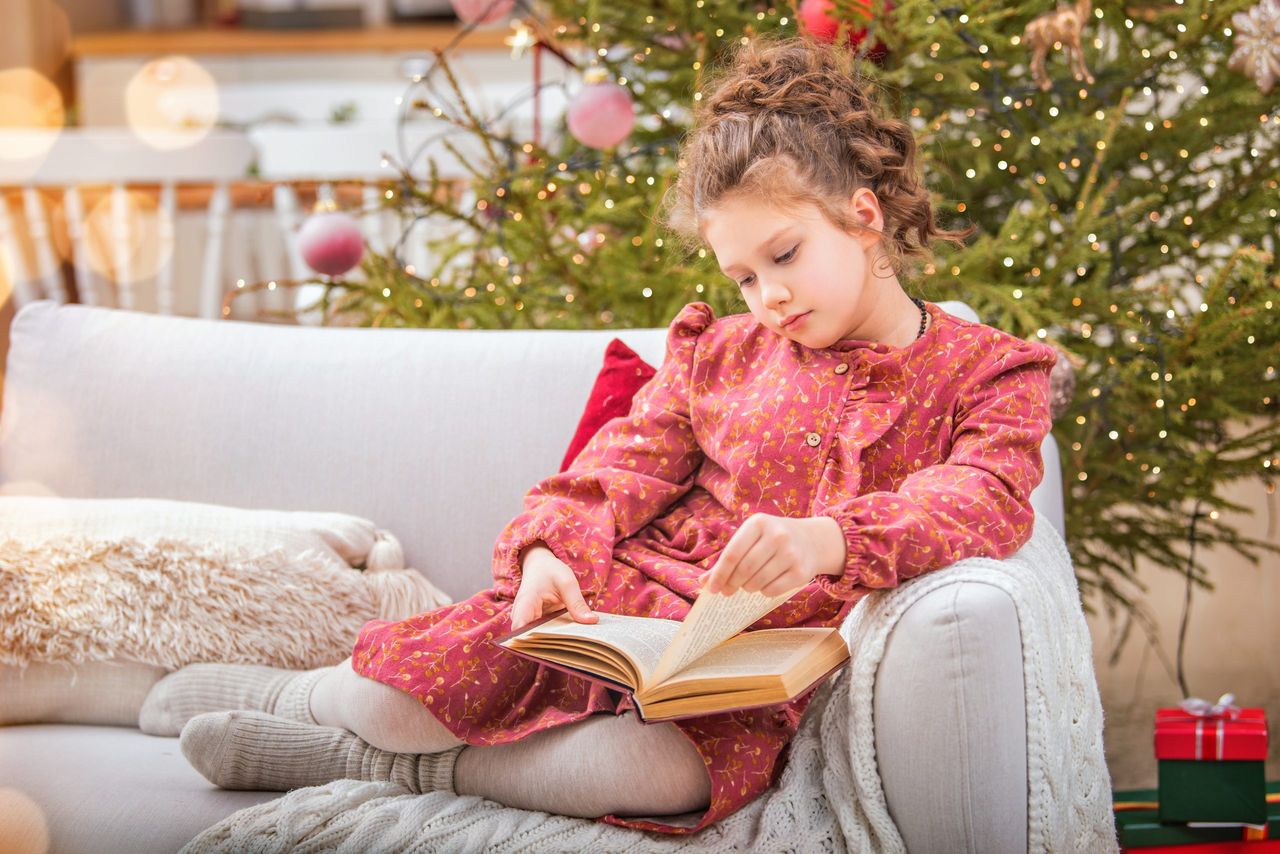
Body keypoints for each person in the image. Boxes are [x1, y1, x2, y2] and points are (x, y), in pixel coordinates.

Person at [140, 32, 1058, 836]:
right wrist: (550, 552)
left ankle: (369, 770)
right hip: (615, 607)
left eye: (783, 256)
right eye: (743, 276)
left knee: (669, 777)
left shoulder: (991, 372)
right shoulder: (719, 353)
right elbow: (617, 466)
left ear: (863, 218)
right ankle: (292, 699)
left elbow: (982, 500)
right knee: (398, 701)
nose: (768, 296)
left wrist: (828, 541)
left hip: (737, 659)